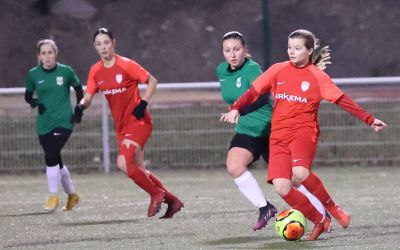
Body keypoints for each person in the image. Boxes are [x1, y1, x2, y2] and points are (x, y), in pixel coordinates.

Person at [220, 29, 387, 240]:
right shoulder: (277, 70)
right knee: (282, 187)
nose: (291, 52)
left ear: (309, 51)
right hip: (278, 136)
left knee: (299, 172)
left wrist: (370, 119)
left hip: (303, 132)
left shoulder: (318, 77)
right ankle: (319, 220)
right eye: (289, 47)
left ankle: (334, 209)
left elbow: (343, 100)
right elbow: (253, 92)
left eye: (297, 48)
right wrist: (236, 108)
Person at [217, 31, 331, 232]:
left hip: (271, 129)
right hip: (248, 130)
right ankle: (265, 208)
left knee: (292, 179)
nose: (232, 54)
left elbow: (261, 96)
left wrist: (237, 109)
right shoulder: (222, 71)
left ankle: (322, 213)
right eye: (227, 50)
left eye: (236, 49)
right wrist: (236, 111)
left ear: (245, 50)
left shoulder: (253, 69)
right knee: (234, 166)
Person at [77, 28, 183, 218]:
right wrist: (80, 107)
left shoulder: (126, 65)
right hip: (121, 127)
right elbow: (88, 97)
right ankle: (173, 201)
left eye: (106, 42)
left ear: (113, 43)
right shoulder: (95, 70)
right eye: (99, 44)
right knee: (136, 169)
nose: (103, 47)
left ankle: (156, 194)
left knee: (122, 162)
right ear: (95, 47)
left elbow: (152, 81)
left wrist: (143, 103)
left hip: (138, 121)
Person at [24, 39, 82, 212]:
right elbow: (28, 96)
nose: (47, 56)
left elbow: (80, 91)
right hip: (44, 124)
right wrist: (35, 103)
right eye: (43, 53)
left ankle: (53, 196)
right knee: (55, 159)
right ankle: (73, 195)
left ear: (55, 53)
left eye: (50, 52)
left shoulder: (66, 72)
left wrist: (79, 108)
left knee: (50, 155)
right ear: (39, 56)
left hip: (64, 121)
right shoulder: (33, 74)